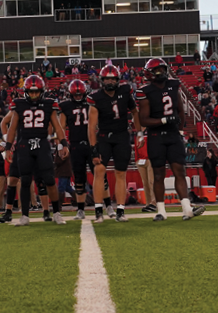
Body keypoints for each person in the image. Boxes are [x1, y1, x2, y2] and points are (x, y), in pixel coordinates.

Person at [137, 58, 204, 221]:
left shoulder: (173, 85)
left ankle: (187, 208)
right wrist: (164, 120)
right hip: (156, 136)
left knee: (179, 171)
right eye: (157, 70)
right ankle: (161, 211)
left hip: (173, 135)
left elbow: (180, 110)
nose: (161, 73)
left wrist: (180, 130)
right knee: (159, 175)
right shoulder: (145, 91)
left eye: (162, 69)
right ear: (149, 73)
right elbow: (143, 120)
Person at [4, 74, 66, 225]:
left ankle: (56, 212)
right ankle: (25, 216)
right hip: (24, 145)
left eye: (36, 92)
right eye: (31, 92)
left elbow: (57, 126)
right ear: (26, 91)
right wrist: (8, 147)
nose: (33, 95)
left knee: (50, 180)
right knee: (25, 180)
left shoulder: (49, 105)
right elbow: (12, 128)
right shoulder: (19, 105)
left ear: (41, 91)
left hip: (42, 144)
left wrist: (63, 143)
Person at [88, 63, 140, 223]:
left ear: (117, 79)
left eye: (112, 79)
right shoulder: (96, 97)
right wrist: (93, 149)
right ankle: (98, 211)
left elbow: (135, 112)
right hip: (104, 136)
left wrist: (140, 132)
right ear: (102, 80)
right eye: (107, 79)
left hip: (122, 136)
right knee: (99, 169)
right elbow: (91, 126)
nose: (110, 82)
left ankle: (120, 211)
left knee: (120, 173)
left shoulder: (125, 92)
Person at [58, 79, 94, 220]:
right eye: (76, 94)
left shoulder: (92, 103)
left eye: (80, 94)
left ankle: (105, 206)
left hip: (91, 143)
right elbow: (61, 127)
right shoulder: (65, 106)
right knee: (79, 178)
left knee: (99, 175)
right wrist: (62, 145)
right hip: (75, 144)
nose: (78, 96)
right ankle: (80, 209)